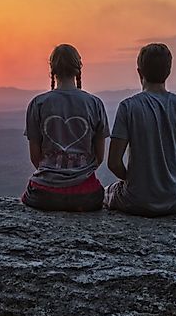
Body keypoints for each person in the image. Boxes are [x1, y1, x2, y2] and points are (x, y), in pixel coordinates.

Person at [104, 43, 176, 217]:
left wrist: (136, 180)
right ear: (168, 72)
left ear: (139, 72)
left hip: (135, 200)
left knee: (105, 193)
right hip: (174, 202)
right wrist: (171, 176)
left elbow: (114, 163)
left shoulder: (128, 107)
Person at [22, 44, 110, 212]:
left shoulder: (37, 104)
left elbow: (35, 158)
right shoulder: (95, 104)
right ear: (78, 69)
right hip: (86, 195)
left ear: (52, 70)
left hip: (42, 194)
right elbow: (99, 157)